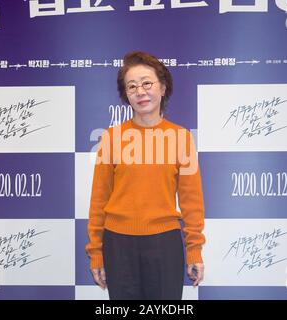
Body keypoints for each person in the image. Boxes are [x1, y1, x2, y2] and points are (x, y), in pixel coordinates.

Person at [85, 51, 205, 300]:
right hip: (118, 246)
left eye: (147, 83)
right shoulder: (111, 138)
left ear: (162, 88)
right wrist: (96, 252)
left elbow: (192, 201)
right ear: (126, 95)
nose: (140, 91)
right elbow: (99, 200)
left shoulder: (181, 138)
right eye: (132, 86)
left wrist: (194, 251)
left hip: (165, 244)